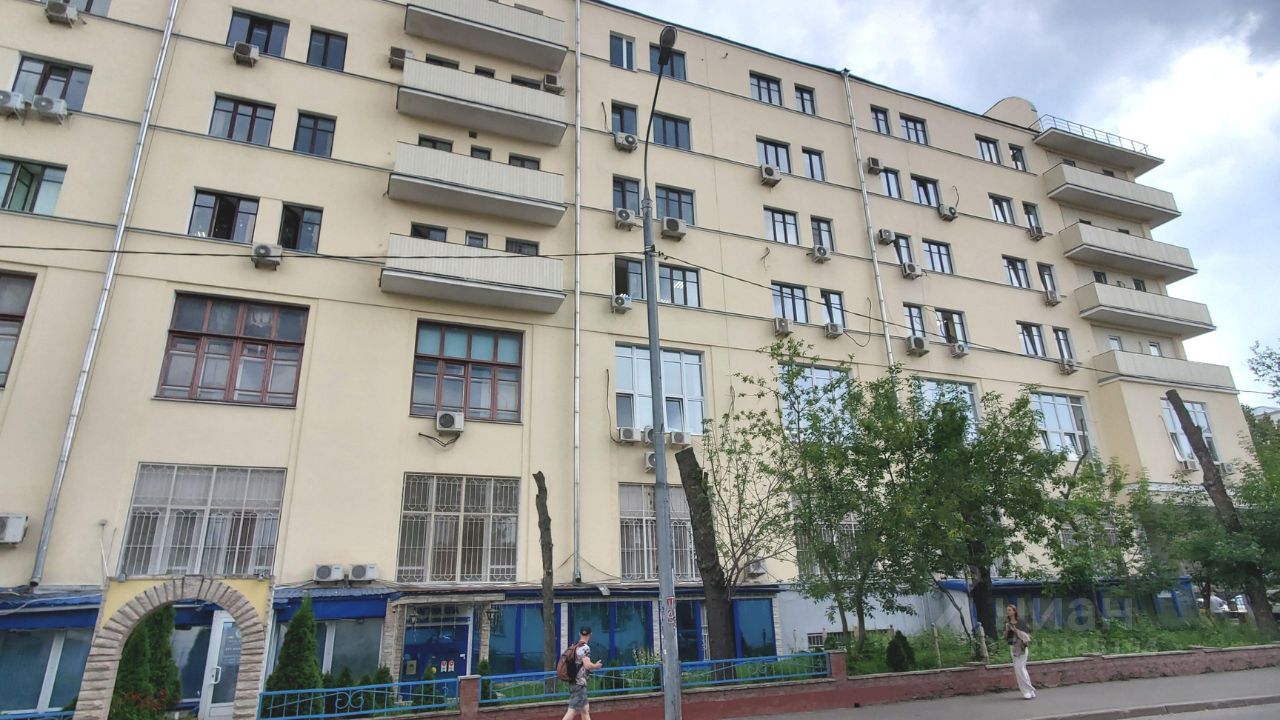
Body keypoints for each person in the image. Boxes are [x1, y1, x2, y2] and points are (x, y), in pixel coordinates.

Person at [562, 626, 603, 720]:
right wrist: (596, 666)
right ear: (590, 634)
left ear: (579, 634)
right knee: (572, 711)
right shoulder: (585, 648)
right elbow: (587, 665)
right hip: (579, 683)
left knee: (585, 710)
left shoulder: (575, 646)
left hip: (574, 681)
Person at [1004, 604, 1036, 700]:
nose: (1008, 612)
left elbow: (1028, 636)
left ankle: (1028, 691)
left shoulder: (1021, 622)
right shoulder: (1007, 624)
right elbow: (1007, 638)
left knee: (1020, 668)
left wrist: (1016, 630)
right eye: (1007, 610)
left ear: (1014, 611)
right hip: (1013, 648)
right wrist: (1007, 632)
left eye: (1009, 610)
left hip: (1022, 648)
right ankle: (1029, 691)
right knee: (1020, 669)